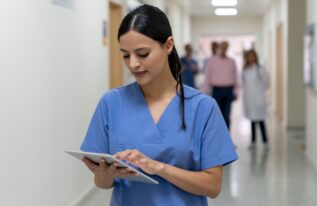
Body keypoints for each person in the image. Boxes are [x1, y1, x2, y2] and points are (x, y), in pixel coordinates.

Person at [80, 4, 238, 206]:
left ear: (168, 45)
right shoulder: (111, 103)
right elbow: (102, 184)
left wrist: (158, 167)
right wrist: (104, 174)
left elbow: (213, 186)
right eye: (126, 55)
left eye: (143, 53)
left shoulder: (203, 108)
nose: (133, 64)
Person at [204, 41, 238, 129]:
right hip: (216, 90)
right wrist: (206, 91)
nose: (224, 48)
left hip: (228, 90)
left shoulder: (232, 61)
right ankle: (218, 140)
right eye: (222, 46)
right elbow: (207, 76)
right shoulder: (212, 61)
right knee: (217, 115)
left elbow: (235, 77)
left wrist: (236, 92)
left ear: (227, 48)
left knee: (227, 115)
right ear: (220, 47)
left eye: (226, 47)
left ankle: (226, 140)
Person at [241, 49, 269, 149]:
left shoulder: (260, 69)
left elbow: (266, 82)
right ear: (247, 58)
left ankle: (265, 142)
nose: (251, 58)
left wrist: (260, 90)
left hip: (259, 98)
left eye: (252, 56)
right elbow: (244, 84)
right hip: (249, 98)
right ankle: (253, 142)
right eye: (249, 56)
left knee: (261, 120)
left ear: (255, 57)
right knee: (252, 121)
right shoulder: (244, 70)